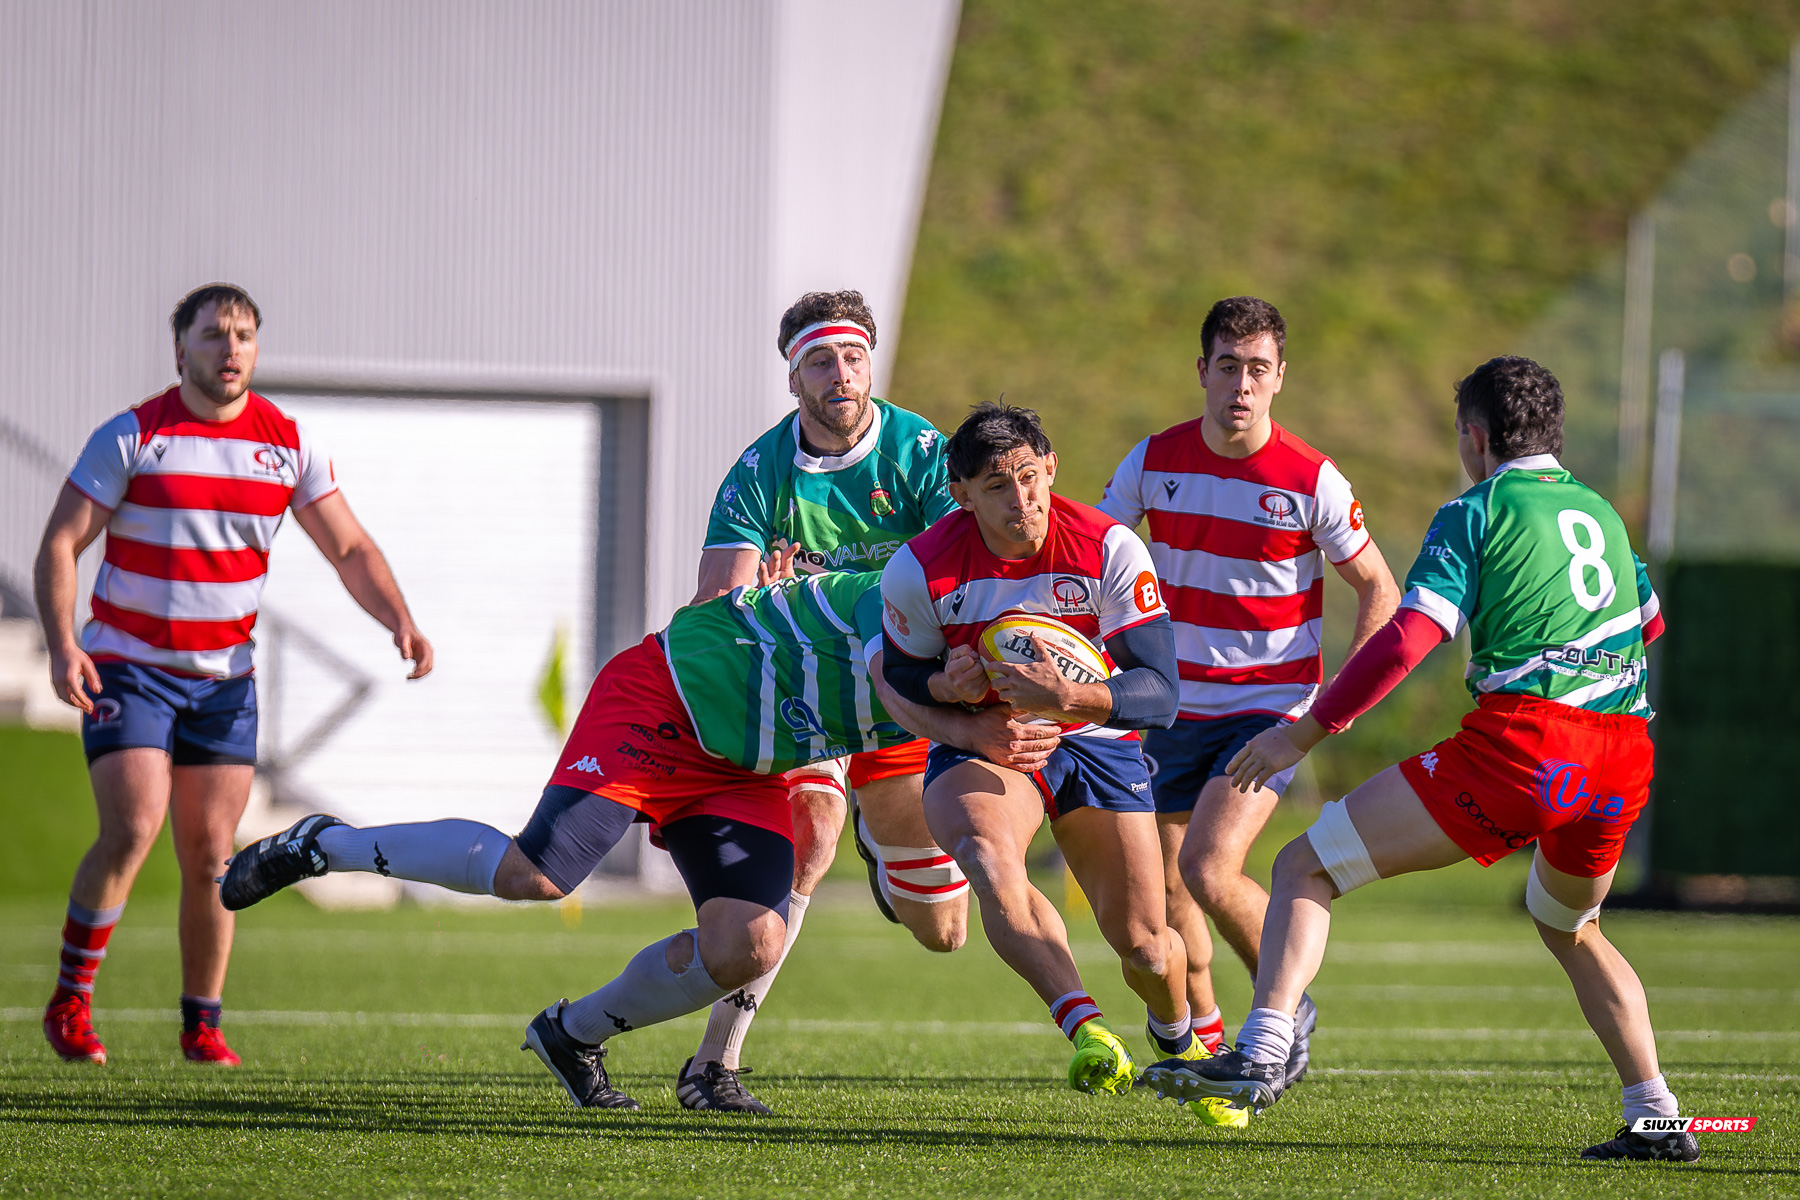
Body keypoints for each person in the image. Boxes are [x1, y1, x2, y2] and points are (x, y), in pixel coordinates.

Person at [219, 567, 1056, 1111]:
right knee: (535, 875)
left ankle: (571, 1034)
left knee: (750, 944)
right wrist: (971, 729)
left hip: (745, 759)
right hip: (667, 697)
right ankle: (323, 843)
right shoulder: (919, 596)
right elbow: (890, 681)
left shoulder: (1001, 640)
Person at [1143, 356, 1696, 1163]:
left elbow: (1408, 636)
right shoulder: (1601, 514)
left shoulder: (1476, 510)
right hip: (1621, 757)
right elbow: (1648, 625)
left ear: (1474, 437)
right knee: (1570, 924)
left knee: (1304, 866)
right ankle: (1657, 1114)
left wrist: (1304, 732)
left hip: (1528, 745)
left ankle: (1260, 1054)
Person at [34, 283, 433, 1066]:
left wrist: (400, 619)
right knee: (133, 826)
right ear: (179, 349)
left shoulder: (287, 442)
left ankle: (201, 1022)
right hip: (129, 667)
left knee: (213, 852)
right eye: (214, 335)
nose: (232, 348)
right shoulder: (135, 435)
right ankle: (72, 1001)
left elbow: (349, 548)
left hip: (225, 683)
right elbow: (59, 544)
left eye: (245, 334)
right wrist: (61, 643)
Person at [877, 401, 1239, 1122]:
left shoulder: (1106, 546)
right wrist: (945, 687)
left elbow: (1161, 693)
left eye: (1029, 476)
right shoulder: (919, 569)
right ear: (961, 495)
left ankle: (1182, 1043)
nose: (1021, 500)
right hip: (994, 741)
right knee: (985, 854)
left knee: (1146, 946)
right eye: (996, 485)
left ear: (1050, 467)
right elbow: (900, 672)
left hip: (1099, 739)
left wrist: (1069, 695)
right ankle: (1088, 1030)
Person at [1097, 295, 1398, 1081]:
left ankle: (1284, 1016)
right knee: (1167, 895)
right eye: (1227, 367)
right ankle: (1209, 1039)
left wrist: (1330, 711)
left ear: (1279, 378)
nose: (1241, 384)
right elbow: (1094, 562)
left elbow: (1380, 591)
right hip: (1166, 704)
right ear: (1202, 371)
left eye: (1257, 369)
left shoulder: (1311, 478)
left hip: (1267, 708)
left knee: (1207, 867)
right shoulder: (1151, 462)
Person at [683, 289, 967, 1112]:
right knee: (809, 837)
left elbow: (960, 577)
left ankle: (887, 858)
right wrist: (754, 606)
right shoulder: (761, 468)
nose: (839, 375)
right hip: (809, 683)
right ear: (794, 380)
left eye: (851, 356)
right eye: (819, 361)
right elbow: (714, 604)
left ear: (870, 361)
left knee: (942, 931)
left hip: (906, 683)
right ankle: (714, 1066)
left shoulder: (920, 452)